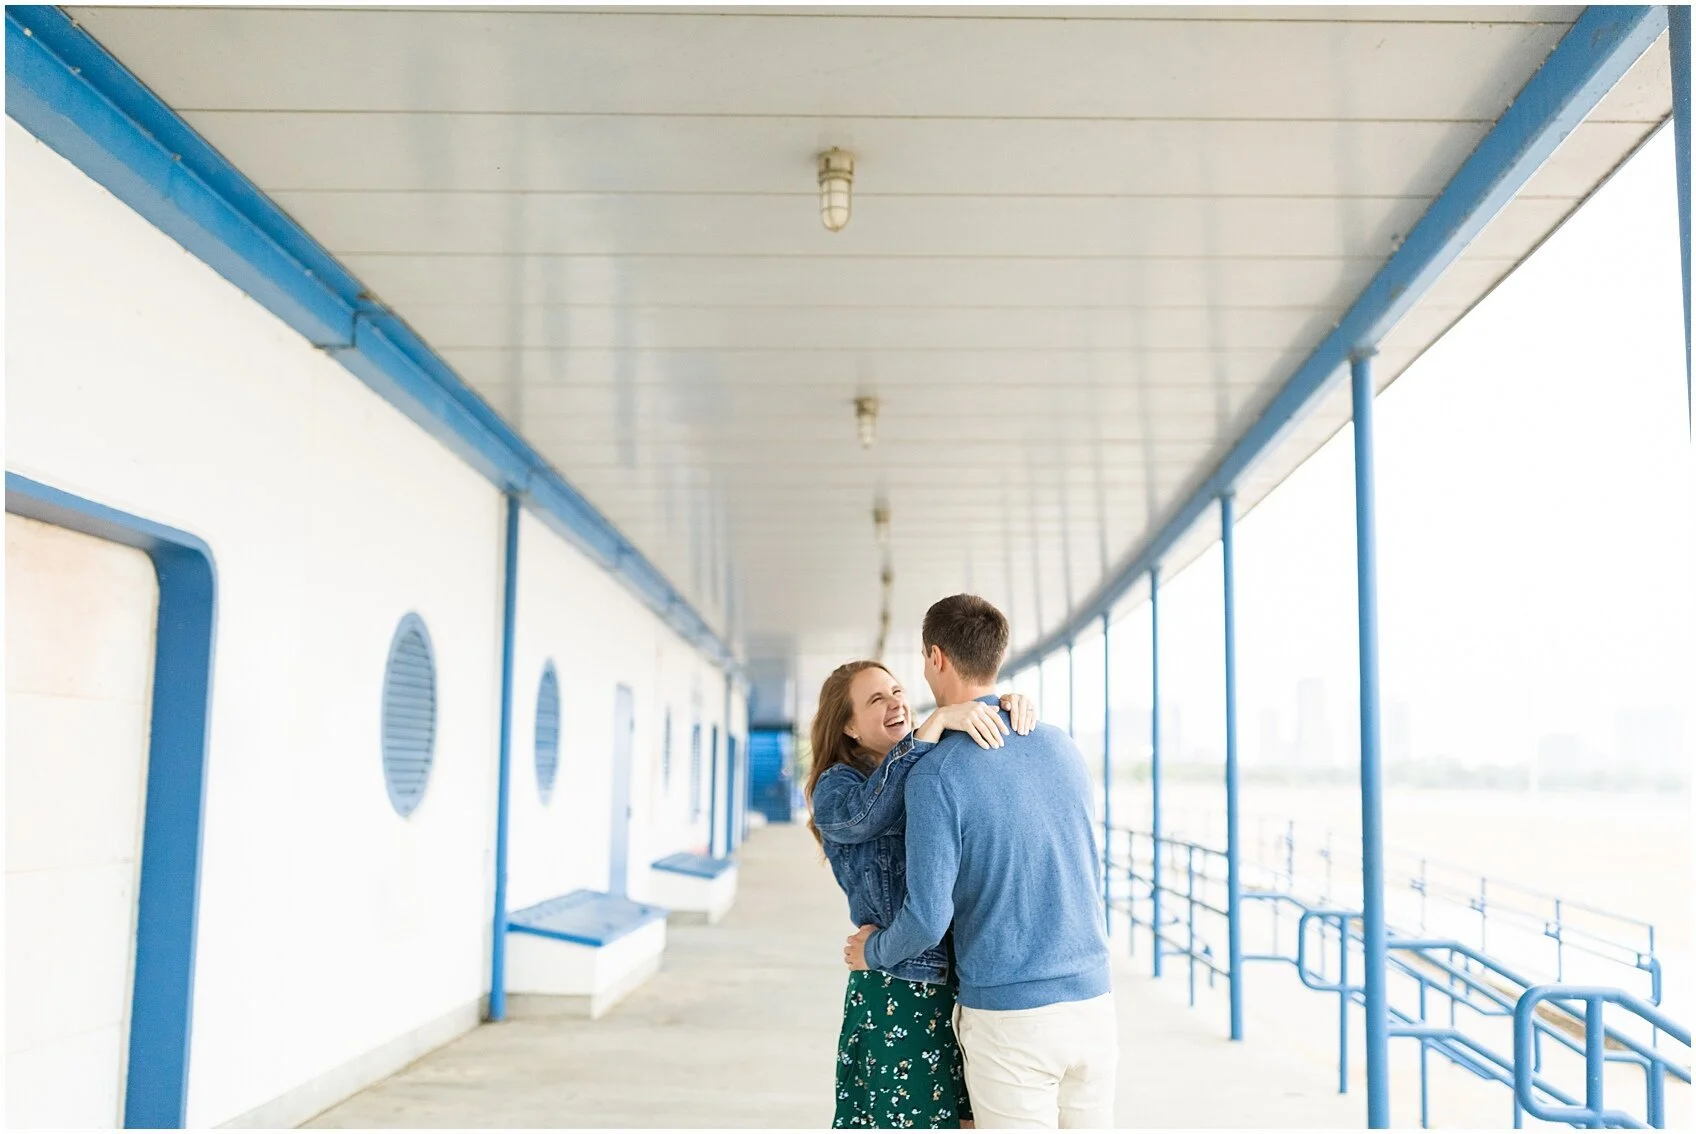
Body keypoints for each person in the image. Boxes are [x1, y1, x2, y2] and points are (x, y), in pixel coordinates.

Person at [844, 595, 1117, 1129]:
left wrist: (872, 950)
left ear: (936, 658)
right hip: (1094, 1002)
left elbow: (926, 918)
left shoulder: (937, 772)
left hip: (1012, 1015)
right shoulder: (1062, 746)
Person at [808, 659, 1037, 1130]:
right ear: (848, 726)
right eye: (876, 699)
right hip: (899, 980)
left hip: (962, 978)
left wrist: (1006, 710)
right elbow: (865, 816)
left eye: (896, 690)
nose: (896, 702)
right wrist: (931, 726)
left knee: (966, 1118)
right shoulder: (837, 786)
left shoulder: (926, 761)